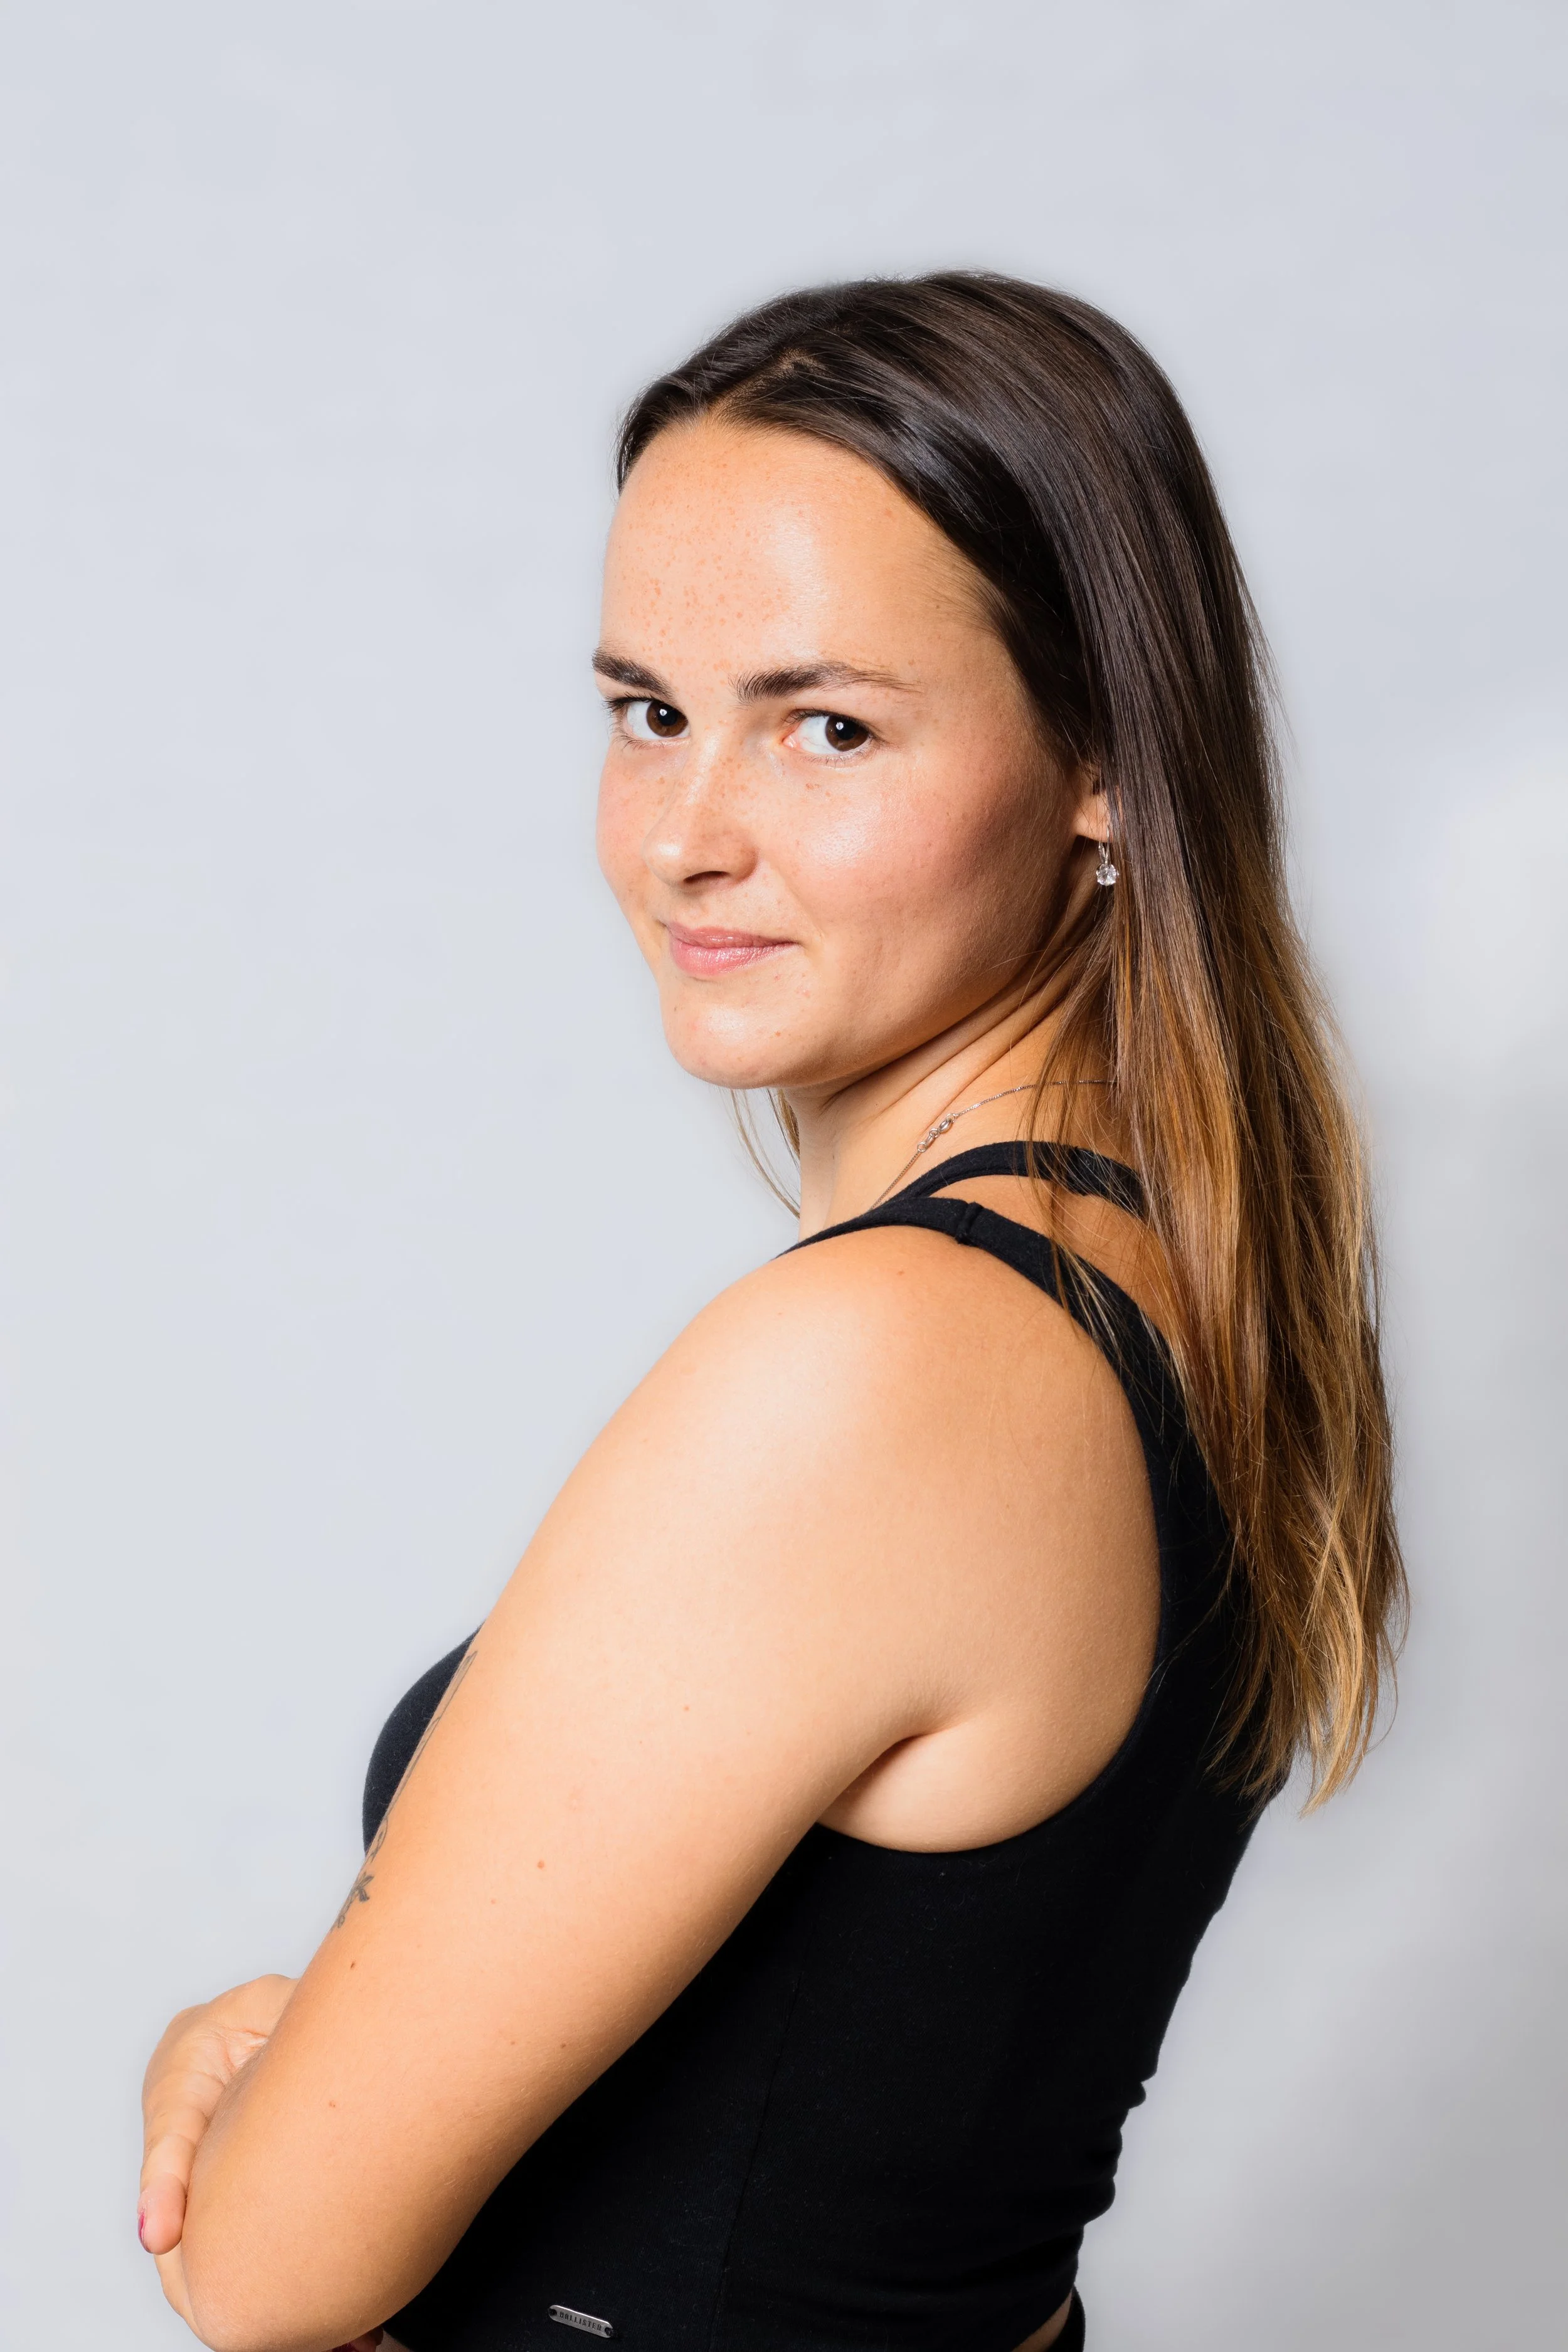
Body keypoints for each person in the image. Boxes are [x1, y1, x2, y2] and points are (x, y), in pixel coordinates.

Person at [137, 273, 1404, 2352]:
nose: (686, 836)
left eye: (826, 723)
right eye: (649, 707)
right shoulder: (1178, 1288)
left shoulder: (878, 1368)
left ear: (1099, 759)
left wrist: (264, 2087)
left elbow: (273, 2270)